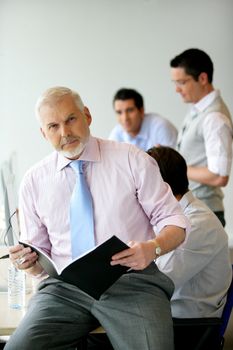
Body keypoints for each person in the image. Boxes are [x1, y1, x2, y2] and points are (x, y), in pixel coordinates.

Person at [6, 86, 187, 350]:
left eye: (71, 119)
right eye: (53, 126)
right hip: (64, 291)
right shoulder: (34, 181)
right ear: (43, 133)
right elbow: (39, 257)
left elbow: (176, 222)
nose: (65, 132)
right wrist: (28, 264)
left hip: (132, 281)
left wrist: (152, 248)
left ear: (87, 116)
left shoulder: (132, 160)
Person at [147, 146, 232, 350]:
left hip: (187, 327)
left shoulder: (194, 225)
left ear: (162, 187)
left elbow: (158, 284)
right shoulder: (174, 216)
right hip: (172, 315)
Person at [170, 48, 233, 227]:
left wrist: (176, 169)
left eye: (181, 82)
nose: (177, 89)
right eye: (174, 82)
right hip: (194, 210)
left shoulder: (214, 117)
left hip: (205, 212)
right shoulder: (198, 109)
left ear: (203, 78)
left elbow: (219, 176)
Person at [109, 88, 178, 150]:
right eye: (119, 112)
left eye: (130, 110)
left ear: (141, 111)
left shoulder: (161, 127)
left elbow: (173, 163)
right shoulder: (116, 133)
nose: (125, 118)